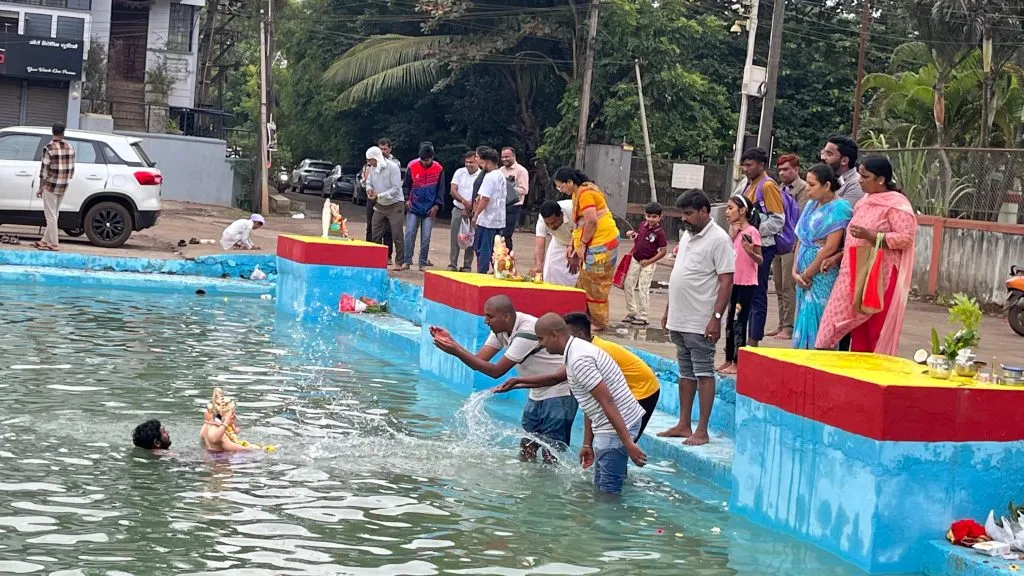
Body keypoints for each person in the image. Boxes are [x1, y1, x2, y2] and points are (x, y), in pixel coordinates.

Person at [430, 295, 577, 461]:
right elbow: (479, 361)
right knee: (526, 449)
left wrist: (455, 349)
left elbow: (496, 371)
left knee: (552, 454)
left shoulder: (527, 331)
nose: (486, 321)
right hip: (536, 393)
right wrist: (451, 342)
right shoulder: (500, 330)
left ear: (506, 317)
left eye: (490, 316)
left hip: (560, 393)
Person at [498, 312, 662, 441]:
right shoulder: (580, 349)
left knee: (620, 439)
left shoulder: (583, 355)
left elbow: (557, 378)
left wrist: (519, 381)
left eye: (566, 335)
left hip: (643, 389)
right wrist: (519, 382)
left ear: (581, 335)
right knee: (609, 438)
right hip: (626, 388)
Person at [532, 313, 647, 494]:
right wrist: (587, 444)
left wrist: (628, 443)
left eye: (541, 338)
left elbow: (606, 400)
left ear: (554, 335)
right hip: (609, 425)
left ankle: (608, 521)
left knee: (608, 492)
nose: (540, 344)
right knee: (601, 487)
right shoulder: (575, 351)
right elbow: (590, 400)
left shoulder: (579, 360)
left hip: (615, 427)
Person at [816, 156, 916, 355]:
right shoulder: (863, 202)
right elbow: (855, 239)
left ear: (880, 180)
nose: (860, 180)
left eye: (865, 176)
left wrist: (871, 236)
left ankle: (876, 374)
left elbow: (905, 238)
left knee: (875, 327)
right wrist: (837, 257)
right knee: (856, 326)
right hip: (855, 269)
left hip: (881, 275)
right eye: (860, 175)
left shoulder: (897, 204)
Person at [658, 190, 733, 447]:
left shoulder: (719, 239)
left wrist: (716, 317)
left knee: (703, 372)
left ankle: (702, 429)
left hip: (701, 319)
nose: (684, 219)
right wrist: (669, 309)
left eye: (689, 214)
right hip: (680, 316)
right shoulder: (689, 236)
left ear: (704, 212)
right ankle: (683, 423)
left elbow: (726, 281)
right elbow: (679, 274)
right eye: (682, 214)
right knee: (685, 372)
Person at [791, 164, 853, 350]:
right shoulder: (811, 205)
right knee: (802, 316)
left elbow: (830, 247)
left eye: (812, 184)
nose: (807, 188)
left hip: (821, 274)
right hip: (802, 273)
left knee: (818, 319)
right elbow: (801, 238)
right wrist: (795, 271)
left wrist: (808, 274)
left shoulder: (839, 207)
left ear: (826, 185)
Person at [554, 167, 620, 332]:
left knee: (595, 282)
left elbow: (591, 221)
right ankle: (586, 318)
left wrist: (581, 244)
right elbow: (581, 224)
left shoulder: (585, 193)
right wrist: (573, 244)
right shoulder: (579, 192)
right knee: (584, 280)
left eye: (561, 186)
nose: (561, 190)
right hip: (595, 241)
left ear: (570, 182)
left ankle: (599, 321)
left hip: (602, 243)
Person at [739, 148, 784, 348]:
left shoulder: (767, 186)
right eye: (744, 165)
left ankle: (753, 339)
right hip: (746, 247)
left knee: (757, 294)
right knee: (744, 294)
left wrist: (753, 232)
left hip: (762, 248)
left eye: (750, 165)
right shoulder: (748, 185)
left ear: (761, 165)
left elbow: (778, 221)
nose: (746, 169)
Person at [717, 195, 762, 376]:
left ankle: (738, 361)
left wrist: (750, 251)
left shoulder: (752, 232)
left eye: (730, 208)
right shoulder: (732, 232)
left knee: (739, 322)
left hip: (746, 284)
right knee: (729, 322)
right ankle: (728, 358)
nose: (727, 212)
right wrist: (732, 236)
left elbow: (760, 259)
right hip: (733, 282)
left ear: (742, 211)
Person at [767, 154, 808, 340]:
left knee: (788, 286)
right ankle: (782, 323)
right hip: (778, 241)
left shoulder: (803, 189)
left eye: (786, 169)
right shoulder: (780, 188)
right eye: (780, 169)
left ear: (796, 169)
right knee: (778, 284)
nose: (782, 173)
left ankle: (789, 326)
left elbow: (798, 216)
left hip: (792, 243)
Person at [622, 202, 668, 326]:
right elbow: (639, 239)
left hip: (649, 262)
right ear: (645, 215)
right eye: (648, 216)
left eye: (654, 217)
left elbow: (663, 251)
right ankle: (632, 312)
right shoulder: (643, 225)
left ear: (660, 217)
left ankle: (643, 316)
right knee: (628, 284)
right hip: (636, 259)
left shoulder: (660, 232)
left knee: (643, 288)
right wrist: (633, 235)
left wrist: (649, 262)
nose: (651, 219)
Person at [403, 142, 445, 271]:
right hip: (414, 206)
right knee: (409, 233)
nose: (425, 162)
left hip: (430, 207)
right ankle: (407, 261)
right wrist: (406, 199)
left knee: (426, 236)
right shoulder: (412, 166)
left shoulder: (439, 169)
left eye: (427, 160)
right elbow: (406, 185)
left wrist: (437, 205)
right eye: (422, 160)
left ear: (432, 157)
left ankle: (422, 262)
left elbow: (441, 189)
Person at [35, 122, 76, 251]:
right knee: (55, 213)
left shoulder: (49, 148)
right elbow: (72, 169)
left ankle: (54, 243)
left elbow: (44, 171)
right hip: (63, 185)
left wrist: (41, 187)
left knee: (50, 215)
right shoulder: (70, 147)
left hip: (51, 185)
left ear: (52, 132)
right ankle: (44, 240)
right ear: (63, 133)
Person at [365, 146, 405, 268]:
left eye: (370, 159)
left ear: (376, 158)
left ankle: (399, 261)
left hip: (395, 204)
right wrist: (369, 190)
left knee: (397, 233)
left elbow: (396, 188)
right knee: (375, 231)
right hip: (380, 205)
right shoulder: (372, 168)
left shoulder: (392, 167)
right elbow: (369, 183)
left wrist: (379, 195)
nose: (369, 162)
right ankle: (376, 260)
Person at [471, 147, 506, 273]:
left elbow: (485, 199)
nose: (481, 166)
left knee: (483, 249)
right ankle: (497, 271)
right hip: (498, 219)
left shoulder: (490, 177)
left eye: (482, 163)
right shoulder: (501, 175)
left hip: (487, 220)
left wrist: (475, 215)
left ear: (488, 162)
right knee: (496, 249)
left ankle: (482, 272)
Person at [530, 199, 577, 286]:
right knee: (550, 270)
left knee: (578, 274)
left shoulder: (573, 210)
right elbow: (539, 245)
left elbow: (582, 231)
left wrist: (576, 252)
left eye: (554, 222)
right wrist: (538, 265)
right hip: (559, 241)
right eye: (548, 224)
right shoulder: (542, 220)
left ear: (561, 214)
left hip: (581, 241)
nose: (551, 226)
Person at [448, 150, 479, 272]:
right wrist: (464, 202)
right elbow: (453, 190)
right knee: (455, 237)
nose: (468, 165)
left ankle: (467, 265)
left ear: (477, 161)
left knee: (470, 238)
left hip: (474, 210)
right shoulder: (460, 172)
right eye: (466, 162)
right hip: (458, 208)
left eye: (471, 162)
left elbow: (481, 194)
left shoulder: (481, 175)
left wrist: (470, 206)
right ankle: (452, 264)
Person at [200, 388, 256, 452]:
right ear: (224, 415)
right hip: (219, 459)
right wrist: (252, 448)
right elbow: (215, 439)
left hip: (208, 457)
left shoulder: (209, 423)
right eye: (232, 413)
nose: (235, 415)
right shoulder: (219, 431)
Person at [821, 134, 864, 207]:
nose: (823, 157)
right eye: (823, 153)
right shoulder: (828, 178)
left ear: (844, 160)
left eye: (829, 154)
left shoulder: (856, 184)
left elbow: (841, 214)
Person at [500, 147, 529, 251]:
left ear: (514, 156)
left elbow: (524, 190)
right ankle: (498, 260)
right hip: (501, 206)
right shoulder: (500, 170)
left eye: (507, 156)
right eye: (502, 157)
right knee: (499, 235)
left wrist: (509, 189)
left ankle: (507, 260)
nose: (504, 159)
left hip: (513, 207)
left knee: (506, 235)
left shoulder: (521, 171)